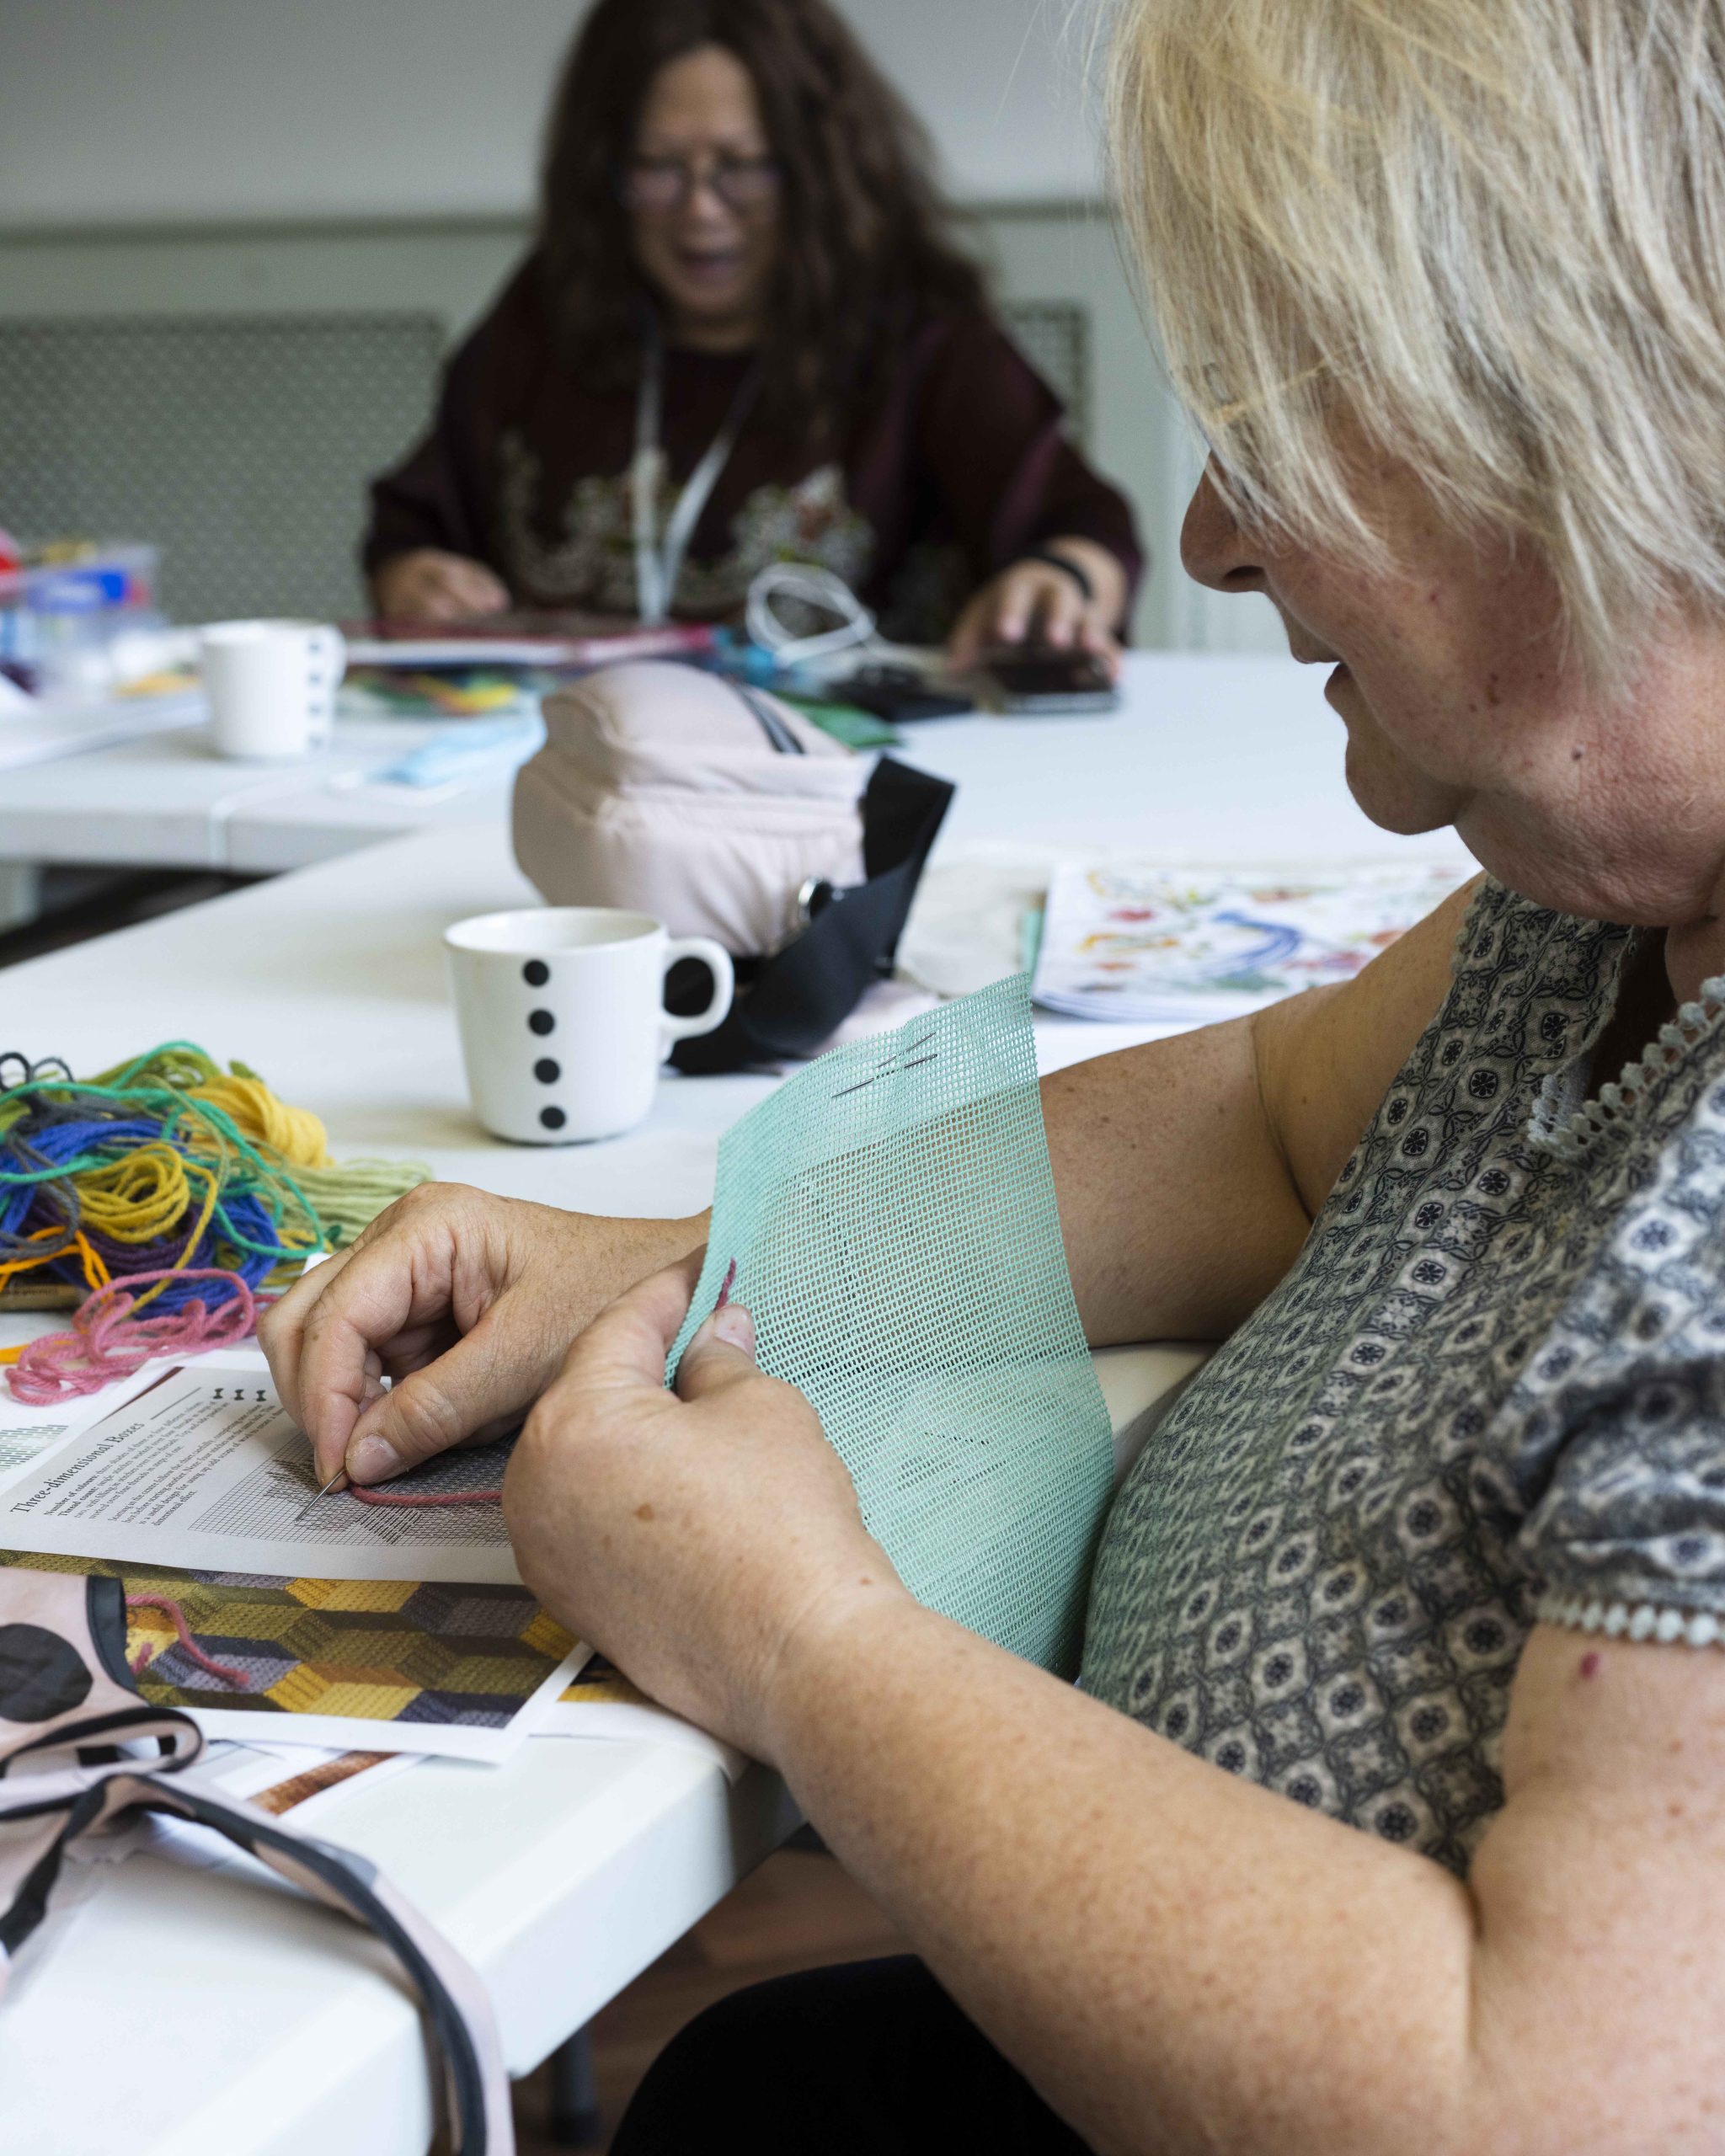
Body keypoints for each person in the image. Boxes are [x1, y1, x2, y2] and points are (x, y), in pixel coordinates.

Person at [270, 0, 1725, 2146]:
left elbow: (1546, 2107)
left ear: (1597, 400)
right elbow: (1256, 1127)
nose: (1215, 534)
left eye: (1294, 417)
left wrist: (802, 1635)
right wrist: (677, 1264)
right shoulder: (1595, 885)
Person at [362, 0, 1141, 670]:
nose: (701, 210)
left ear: (815, 170)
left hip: (832, 786)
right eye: (657, 168)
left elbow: (1080, 526)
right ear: (602, 173)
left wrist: (1061, 582)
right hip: (574, 771)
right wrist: (413, 576)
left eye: (744, 167)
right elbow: (415, 522)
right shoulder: (550, 311)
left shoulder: (916, 333)